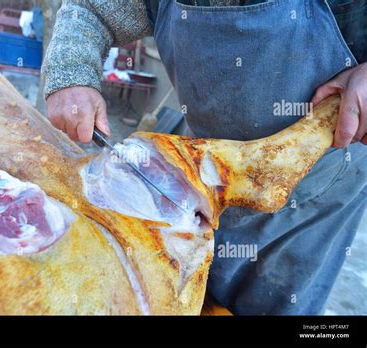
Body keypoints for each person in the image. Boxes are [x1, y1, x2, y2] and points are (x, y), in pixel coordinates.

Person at [42, 0, 367, 315]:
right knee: (185, 295)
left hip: (314, 198)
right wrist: (70, 74)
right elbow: (92, 9)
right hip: (196, 178)